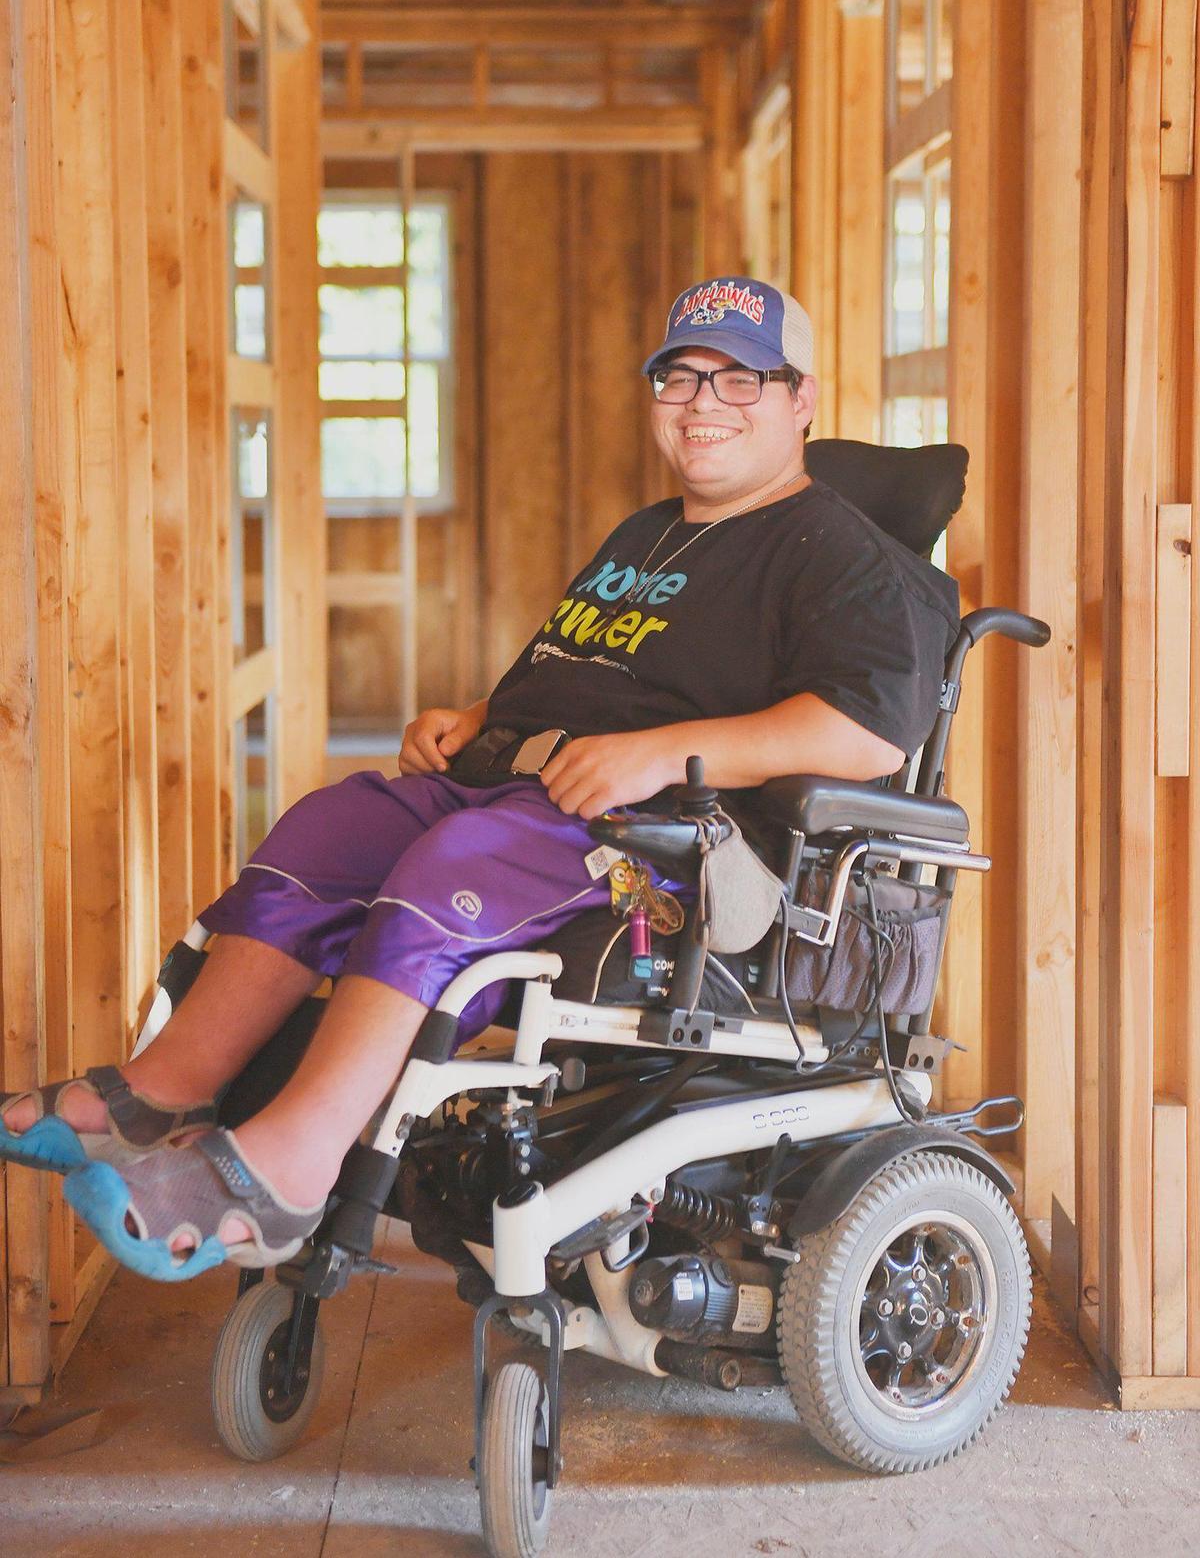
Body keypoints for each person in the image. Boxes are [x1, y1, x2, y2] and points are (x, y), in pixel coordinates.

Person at [0, 275, 959, 1271]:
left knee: (460, 859)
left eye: (740, 378)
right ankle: (159, 1091)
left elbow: (867, 734)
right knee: (333, 825)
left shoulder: (839, 556)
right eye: (680, 375)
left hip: (671, 869)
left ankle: (289, 1164)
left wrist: (664, 755)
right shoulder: (647, 532)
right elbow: (586, 679)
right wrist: (476, 721)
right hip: (537, 801)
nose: (703, 402)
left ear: (801, 399)